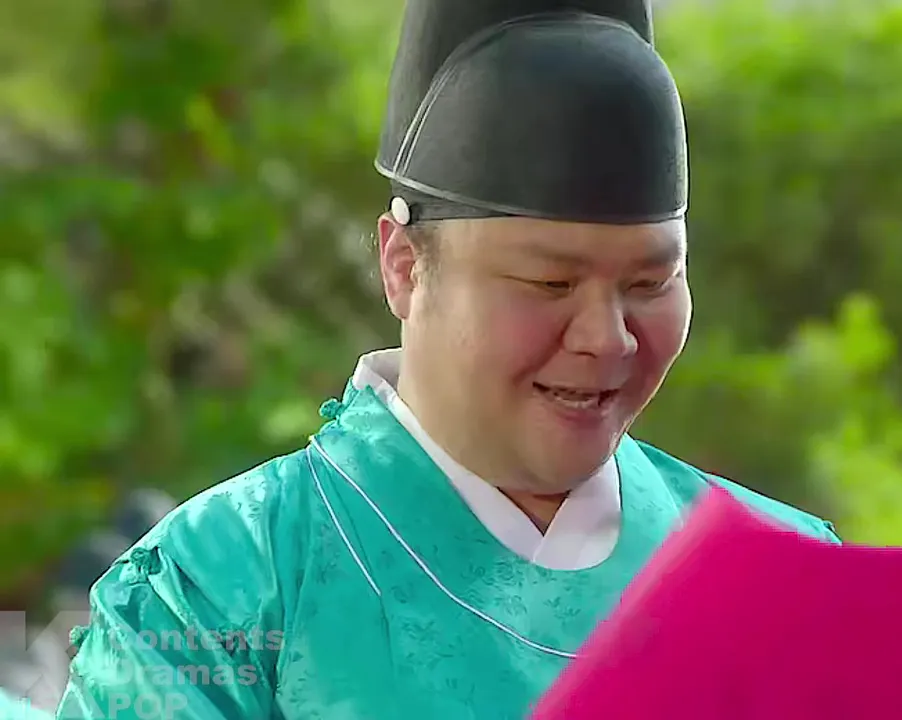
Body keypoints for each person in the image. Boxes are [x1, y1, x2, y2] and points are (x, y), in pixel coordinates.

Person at [55, 0, 839, 717]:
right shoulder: (218, 589)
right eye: (550, 282)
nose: (608, 338)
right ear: (403, 267)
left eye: (649, 283)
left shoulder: (792, 575)